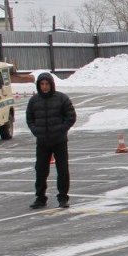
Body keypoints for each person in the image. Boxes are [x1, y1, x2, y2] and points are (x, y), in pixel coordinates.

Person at [26, 72, 76, 209]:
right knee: (40, 170)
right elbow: (29, 119)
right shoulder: (34, 101)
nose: (44, 86)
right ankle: (40, 197)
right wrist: (36, 131)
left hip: (59, 141)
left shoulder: (62, 98)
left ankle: (63, 198)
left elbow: (71, 117)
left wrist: (61, 129)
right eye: (42, 84)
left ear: (51, 84)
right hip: (42, 142)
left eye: (47, 84)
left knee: (62, 170)